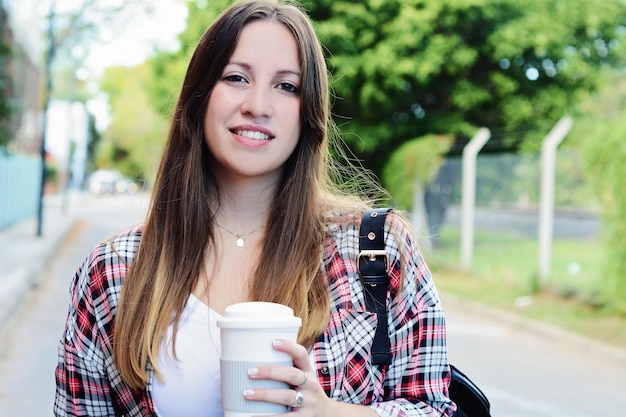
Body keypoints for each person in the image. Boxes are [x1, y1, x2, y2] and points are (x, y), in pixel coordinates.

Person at [54, 0, 456, 416]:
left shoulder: (376, 250)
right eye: (236, 77)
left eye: (287, 86)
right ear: (200, 96)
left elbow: (435, 408)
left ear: (308, 113)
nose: (258, 105)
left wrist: (332, 413)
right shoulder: (113, 272)